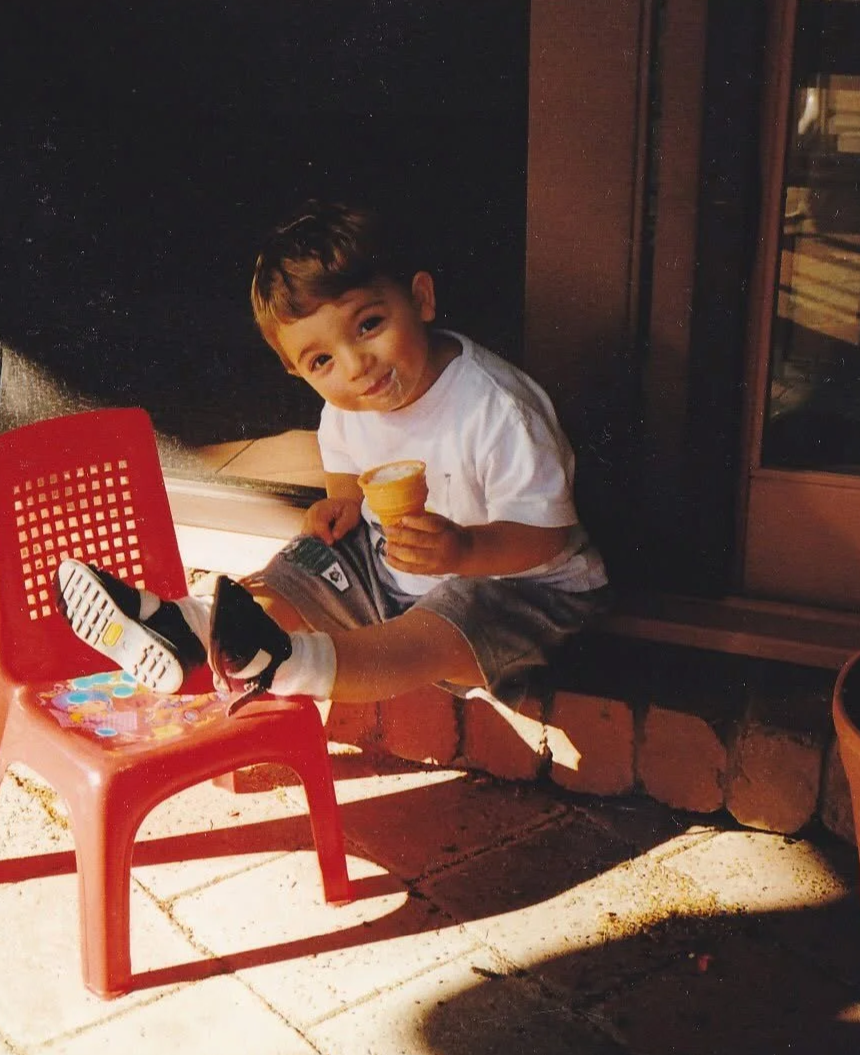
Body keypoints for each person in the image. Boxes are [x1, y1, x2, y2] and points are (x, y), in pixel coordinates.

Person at [55, 201, 610, 715]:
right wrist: (341, 503)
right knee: (306, 563)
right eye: (322, 360)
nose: (355, 366)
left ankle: (288, 665)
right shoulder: (346, 402)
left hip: (525, 590)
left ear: (420, 300)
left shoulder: (496, 408)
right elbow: (344, 457)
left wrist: (464, 549)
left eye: (369, 325)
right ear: (298, 371)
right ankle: (188, 626)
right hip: (394, 572)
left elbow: (548, 537)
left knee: (441, 623)